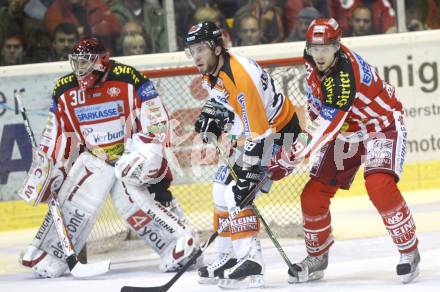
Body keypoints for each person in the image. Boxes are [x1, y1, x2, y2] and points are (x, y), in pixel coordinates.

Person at [19, 37, 199, 278]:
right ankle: (50, 253)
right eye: (76, 62)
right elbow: (56, 133)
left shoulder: (128, 78)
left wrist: (146, 153)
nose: (79, 69)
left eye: (85, 62)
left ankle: (179, 242)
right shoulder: (64, 90)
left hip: (133, 155)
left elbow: (156, 120)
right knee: (76, 198)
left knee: (134, 200)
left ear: (102, 62)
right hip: (97, 158)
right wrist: (48, 167)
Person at [269, 18, 420, 284]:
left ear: (338, 47)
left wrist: (291, 157)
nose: (319, 55)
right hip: (348, 130)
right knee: (312, 194)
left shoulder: (343, 77)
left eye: (326, 48)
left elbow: (327, 127)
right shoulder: (311, 57)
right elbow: (317, 94)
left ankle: (409, 251)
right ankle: (317, 257)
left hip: (379, 126)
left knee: (378, 184)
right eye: (315, 48)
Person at [185, 21, 302, 288]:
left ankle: (251, 264)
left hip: (281, 136)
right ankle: (227, 258)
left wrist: (248, 172)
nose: (196, 56)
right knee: (220, 188)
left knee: (237, 192)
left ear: (216, 47)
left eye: (201, 48)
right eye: (192, 50)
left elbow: (259, 133)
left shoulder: (239, 76)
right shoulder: (214, 70)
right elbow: (223, 102)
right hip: (261, 133)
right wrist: (211, 116)